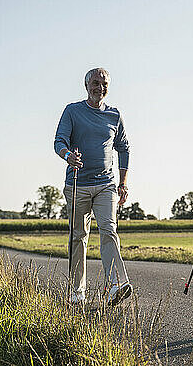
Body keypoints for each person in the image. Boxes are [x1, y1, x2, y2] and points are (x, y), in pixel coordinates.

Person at [54, 67, 132, 306]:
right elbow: (59, 141)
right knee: (79, 237)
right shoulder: (72, 111)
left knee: (109, 230)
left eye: (104, 83)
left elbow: (124, 148)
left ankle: (116, 285)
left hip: (106, 184)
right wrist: (68, 155)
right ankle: (77, 292)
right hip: (77, 184)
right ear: (86, 86)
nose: (100, 87)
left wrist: (123, 183)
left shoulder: (114, 115)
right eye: (95, 83)